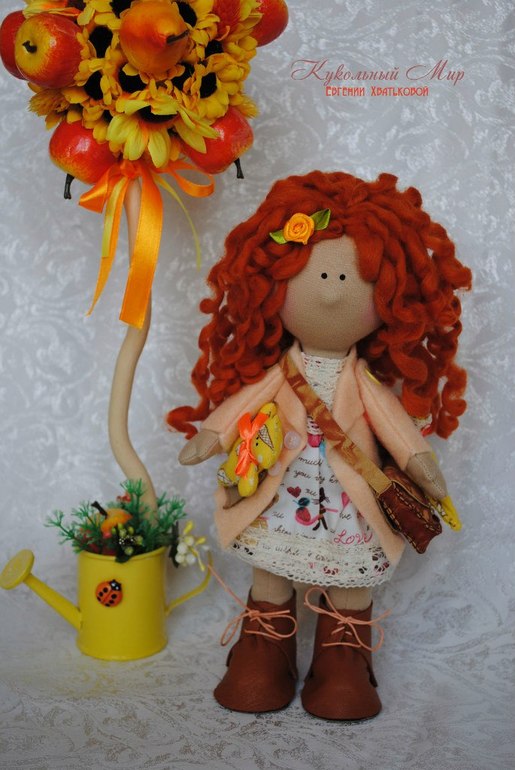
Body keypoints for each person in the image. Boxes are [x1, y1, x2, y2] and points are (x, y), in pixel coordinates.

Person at [167, 170, 472, 720]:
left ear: (391, 299)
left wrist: (422, 464)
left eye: (349, 277)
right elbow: (240, 406)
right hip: (279, 491)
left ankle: (343, 654)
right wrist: (210, 436)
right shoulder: (283, 372)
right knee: (270, 567)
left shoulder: (363, 383)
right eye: (317, 274)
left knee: (351, 575)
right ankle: (266, 644)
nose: (331, 290)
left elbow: (397, 429)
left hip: (349, 501)